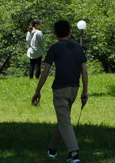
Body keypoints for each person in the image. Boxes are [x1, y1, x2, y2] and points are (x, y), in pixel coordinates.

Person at [32, 20, 88, 163]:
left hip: (60, 89)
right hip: (74, 89)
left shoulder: (54, 48)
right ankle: (52, 149)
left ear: (55, 33)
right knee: (63, 119)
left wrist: (37, 91)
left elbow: (45, 73)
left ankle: (73, 154)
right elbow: (84, 72)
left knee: (64, 120)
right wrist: (84, 92)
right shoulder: (78, 47)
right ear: (69, 32)